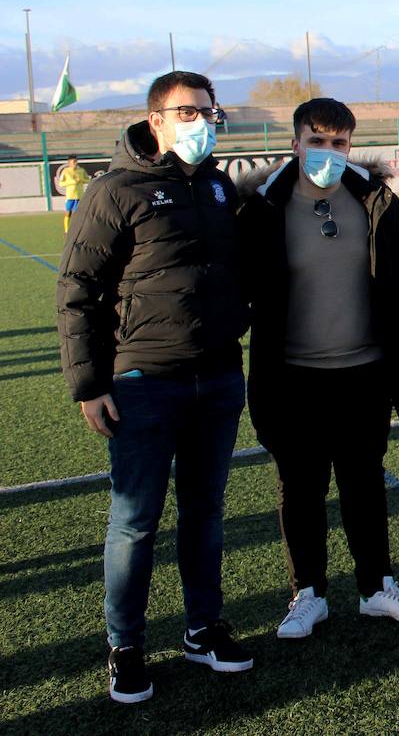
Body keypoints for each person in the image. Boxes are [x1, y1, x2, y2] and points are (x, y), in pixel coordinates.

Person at [56, 71, 250, 703]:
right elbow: (78, 291)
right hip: (142, 382)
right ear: (157, 120)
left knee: (204, 512)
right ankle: (126, 645)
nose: (201, 122)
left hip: (218, 376)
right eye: (187, 112)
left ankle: (202, 629)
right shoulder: (115, 190)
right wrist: (89, 384)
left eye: (208, 111)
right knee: (135, 521)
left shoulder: (218, 185)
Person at [237, 98, 399, 641]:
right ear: (295, 142)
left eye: (340, 143)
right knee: (299, 489)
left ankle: (376, 588)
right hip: (291, 375)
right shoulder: (260, 207)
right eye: (317, 141)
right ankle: (309, 594)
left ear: (351, 146)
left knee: (364, 483)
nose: (329, 153)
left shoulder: (375, 199)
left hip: (366, 371)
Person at [55, 154, 91, 233]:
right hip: (70, 196)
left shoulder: (81, 170)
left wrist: (81, 180)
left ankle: (75, 229)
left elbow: (88, 179)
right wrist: (72, 182)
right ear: (69, 162)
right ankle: (66, 230)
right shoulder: (65, 171)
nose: (75, 162)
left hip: (79, 196)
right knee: (68, 213)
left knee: (76, 214)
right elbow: (61, 183)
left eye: (76, 161)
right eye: (74, 161)